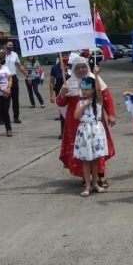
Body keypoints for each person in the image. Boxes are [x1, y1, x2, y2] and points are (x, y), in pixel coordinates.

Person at [57, 55, 116, 187]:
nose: (81, 69)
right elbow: (61, 102)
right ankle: (86, 178)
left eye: (83, 66)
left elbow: (106, 98)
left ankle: (100, 176)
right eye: (77, 68)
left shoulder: (95, 80)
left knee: (97, 149)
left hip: (95, 122)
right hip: (76, 124)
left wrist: (111, 114)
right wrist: (62, 93)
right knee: (83, 151)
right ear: (73, 70)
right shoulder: (68, 83)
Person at [73, 76, 108, 197]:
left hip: (96, 131)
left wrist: (97, 75)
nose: (84, 91)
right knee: (86, 160)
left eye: (87, 89)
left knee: (95, 160)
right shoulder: (80, 102)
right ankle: (87, 185)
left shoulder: (98, 101)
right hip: (85, 131)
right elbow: (76, 116)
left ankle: (95, 183)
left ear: (92, 89)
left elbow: (99, 90)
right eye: (82, 89)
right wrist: (84, 105)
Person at [3, 40, 28, 124]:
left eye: (12, 45)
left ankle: (16, 117)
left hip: (13, 78)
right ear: (5, 45)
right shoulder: (0, 54)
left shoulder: (15, 54)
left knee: (15, 99)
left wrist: (27, 75)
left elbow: (19, 66)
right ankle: (2, 118)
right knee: (4, 99)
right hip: (3, 79)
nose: (11, 47)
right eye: (9, 45)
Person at [49, 53, 70, 139]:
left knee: (72, 113)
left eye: (67, 56)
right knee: (62, 113)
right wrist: (51, 94)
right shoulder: (55, 68)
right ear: (59, 57)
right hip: (60, 94)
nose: (65, 57)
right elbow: (51, 82)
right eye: (63, 56)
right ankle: (63, 132)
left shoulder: (71, 66)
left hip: (71, 92)